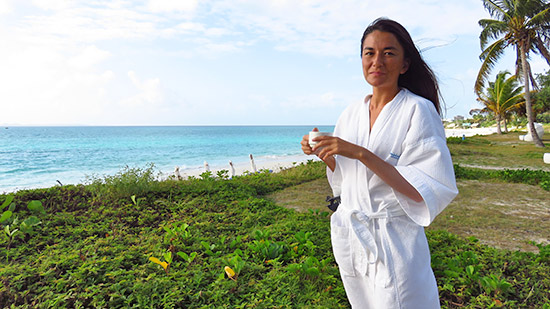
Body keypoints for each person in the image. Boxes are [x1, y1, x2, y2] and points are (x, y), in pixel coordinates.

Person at [301, 18, 458, 308]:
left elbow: (423, 187)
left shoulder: (418, 111)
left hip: (394, 241)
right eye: (369, 53)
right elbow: (347, 181)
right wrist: (329, 155)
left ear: (404, 64)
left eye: (388, 52)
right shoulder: (350, 113)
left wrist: (360, 152)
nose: (377, 61)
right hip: (352, 236)